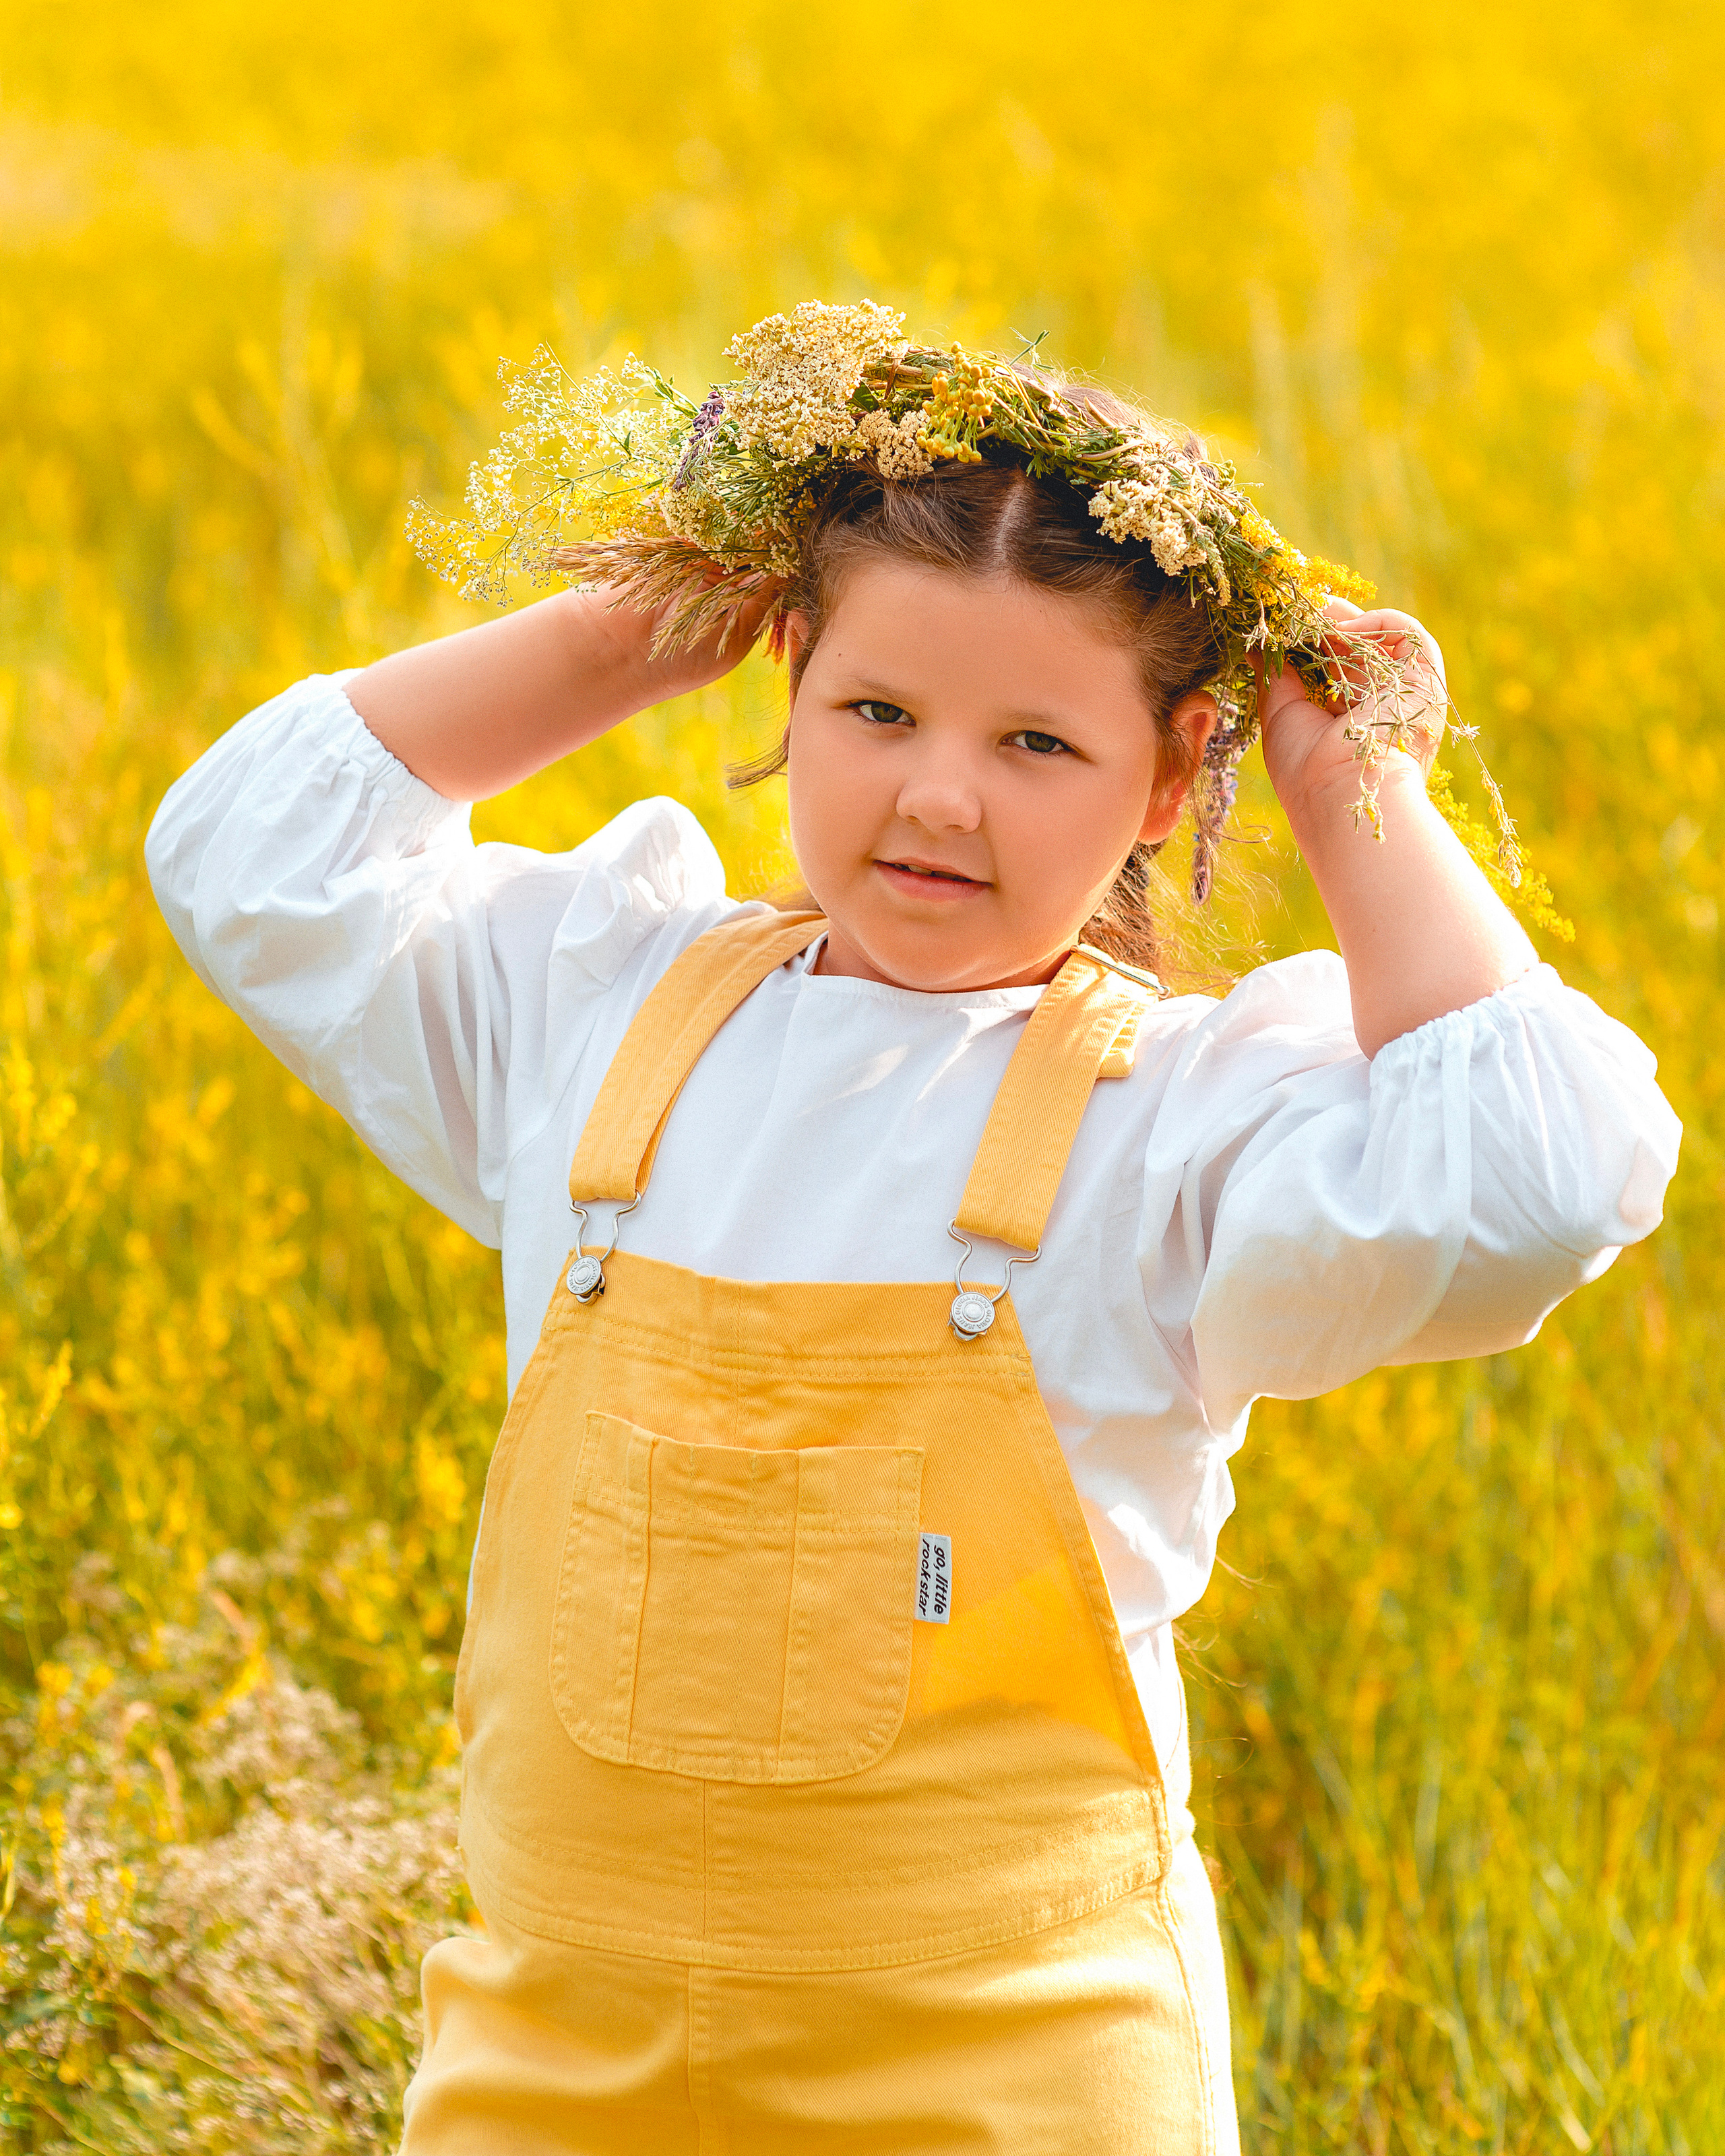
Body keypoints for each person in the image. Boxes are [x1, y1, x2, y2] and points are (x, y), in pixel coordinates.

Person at [146, 305, 1680, 2155]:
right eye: (875, 709)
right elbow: (249, 856)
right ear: (783, 673)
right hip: (553, 2059)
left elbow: (1538, 1171)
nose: (938, 794)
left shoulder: (1168, 1129)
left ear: (1171, 778)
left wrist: (1353, 788)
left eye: (1039, 741)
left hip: (1003, 2072)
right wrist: (646, 618)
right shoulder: (593, 1008)